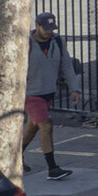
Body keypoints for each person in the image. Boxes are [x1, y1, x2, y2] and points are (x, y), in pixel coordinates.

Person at [23, 12, 81, 180]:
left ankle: (15, 156)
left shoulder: (57, 41)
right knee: (46, 125)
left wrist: (74, 88)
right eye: (46, 28)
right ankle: (53, 168)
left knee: (32, 128)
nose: (49, 32)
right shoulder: (26, 43)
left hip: (48, 92)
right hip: (31, 94)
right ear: (37, 26)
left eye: (51, 28)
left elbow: (67, 66)